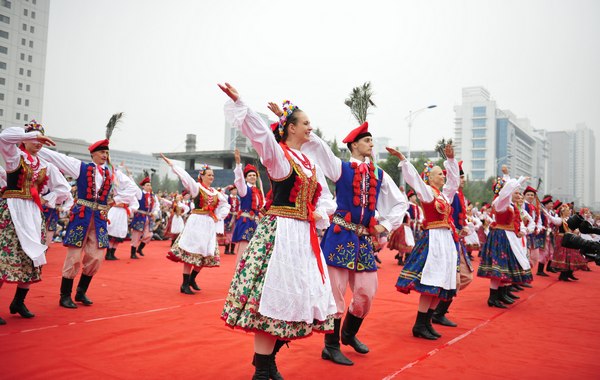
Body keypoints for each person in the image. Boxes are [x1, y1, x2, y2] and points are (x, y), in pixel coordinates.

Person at [218, 83, 337, 380]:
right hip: (280, 234)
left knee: (297, 298)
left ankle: (269, 362)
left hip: (303, 238)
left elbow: (325, 199)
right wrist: (241, 102)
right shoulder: (279, 156)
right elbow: (261, 136)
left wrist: (318, 213)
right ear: (290, 128)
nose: (311, 127)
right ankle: (261, 368)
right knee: (270, 298)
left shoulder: (310, 163)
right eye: (306, 123)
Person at [301, 120, 407, 365]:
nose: (371, 144)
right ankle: (331, 345)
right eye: (367, 140)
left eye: (371, 140)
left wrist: (386, 225)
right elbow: (321, 150)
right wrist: (308, 130)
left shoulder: (379, 174)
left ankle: (348, 334)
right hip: (340, 235)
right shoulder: (341, 168)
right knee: (335, 294)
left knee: (367, 291)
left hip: (363, 239)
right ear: (354, 145)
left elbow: (401, 202)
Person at [38, 136, 139, 309]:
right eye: (101, 152)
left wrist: (115, 200)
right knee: (74, 256)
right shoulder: (81, 167)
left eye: (106, 152)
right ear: (92, 154)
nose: (104, 155)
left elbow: (133, 189)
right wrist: (35, 144)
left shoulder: (112, 173)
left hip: (99, 218)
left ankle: (81, 291)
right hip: (81, 217)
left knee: (96, 257)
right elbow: (58, 158)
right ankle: (65, 295)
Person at [0, 122, 71, 323]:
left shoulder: (46, 166)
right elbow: (4, 137)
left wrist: (48, 199)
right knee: (5, 256)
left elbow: (63, 189)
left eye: (41, 139)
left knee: (33, 257)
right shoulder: (15, 157)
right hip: (13, 210)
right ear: (23, 139)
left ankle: (18, 301)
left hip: (33, 213)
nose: (39, 143)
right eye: (34, 139)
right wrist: (29, 135)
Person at [387, 144, 459, 340]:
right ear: (429, 177)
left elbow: (454, 183)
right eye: (438, 174)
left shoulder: (444, 195)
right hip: (434, 239)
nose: (442, 176)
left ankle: (426, 322)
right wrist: (403, 159)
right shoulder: (427, 192)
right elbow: (414, 180)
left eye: (442, 174)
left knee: (442, 281)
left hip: (445, 240)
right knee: (432, 279)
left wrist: (451, 161)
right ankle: (420, 324)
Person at [162, 156, 230, 294]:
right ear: (202, 176)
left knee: (206, 252)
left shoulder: (216, 193)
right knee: (191, 251)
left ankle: (192, 279)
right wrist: (173, 165)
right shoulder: (197, 188)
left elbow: (225, 205)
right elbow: (185, 177)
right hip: (196, 221)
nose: (212, 177)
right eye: (209, 174)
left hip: (209, 223)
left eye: (213, 175)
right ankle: (184, 284)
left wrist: (219, 216)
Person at [477, 173, 532, 308]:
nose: (516, 194)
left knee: (504, 267)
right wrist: (518, 181)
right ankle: (493, 297)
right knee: (499, 268)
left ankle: (500, 294)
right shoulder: (500, 202)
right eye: (514, 192)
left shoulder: (507, 204)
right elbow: (506, 191)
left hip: (507, 236)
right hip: (501, 236)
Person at [432, 160, 473, 328]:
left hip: (456, 238)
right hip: (448, 238)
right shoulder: (452, 195)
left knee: (460, 277)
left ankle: (438, 310)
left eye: (463, 177)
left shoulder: (460, 196)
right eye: (460, 177)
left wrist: (463, 228)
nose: (463, 180)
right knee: (459, 277)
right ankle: (437, 311)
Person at [231, 148, 264, 262]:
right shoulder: (244, 189)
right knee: (244, 251)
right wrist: (238, 164)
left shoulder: (258, 192)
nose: (252, 177)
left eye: (254, 175)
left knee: (254, 251)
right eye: (250, 175)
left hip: (255, 222)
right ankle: (240, 275)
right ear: (246, 177)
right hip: (245, 222)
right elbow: (239, 180)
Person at [105, 164, 141, 260]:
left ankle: (112, 253)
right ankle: (108, 253)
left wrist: (129, 209)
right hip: (115, 211)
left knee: (119, 232)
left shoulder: (130, 194)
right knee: (111, 230)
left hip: (122, 213)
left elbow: (135, 204)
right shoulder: (117, 191)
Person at [129, 175, 159, 259]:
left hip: (148, 217)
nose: (149, 186)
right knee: (136, 235)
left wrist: (155, 213)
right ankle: (133, 253)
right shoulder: (140, 193)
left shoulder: (153, 196)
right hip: (140, 216)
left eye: (150, 185)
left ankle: (140, 248)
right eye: (147, 185)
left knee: (149, 235)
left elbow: (157, 205)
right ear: (143, 186)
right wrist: (130, 176)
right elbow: (134, 186)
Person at [388, 189, 417, 266]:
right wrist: (403, 193)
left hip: (408, 229)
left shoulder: (407, 212)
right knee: (403, 243)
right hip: (402, 229)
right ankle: (400, 258)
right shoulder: (402, 212)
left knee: (409, 243)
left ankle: (403, 257)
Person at [223, 186, 240, 254]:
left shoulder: (238, 198)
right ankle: (226, 249)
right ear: (230, 191)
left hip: (236, 217)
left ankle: (232, 250)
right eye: (233, 190)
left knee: (234, 233)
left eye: (236, 190)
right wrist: (226, 187)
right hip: (229, 217)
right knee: (228, 233)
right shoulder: (227, 197)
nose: (235, 191)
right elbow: (221, 192)